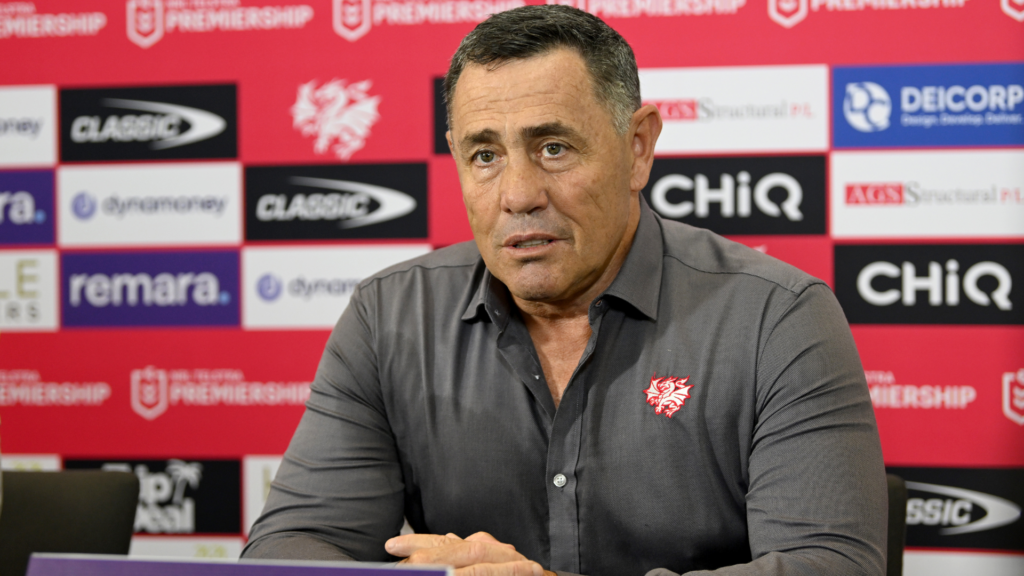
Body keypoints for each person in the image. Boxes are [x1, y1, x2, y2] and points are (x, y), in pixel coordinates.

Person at [242, 6, 887, 576]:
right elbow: (291, 548)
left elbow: (830, 566)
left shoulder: (777, 318)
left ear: (638, 148)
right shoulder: (388, 318)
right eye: (485, 155)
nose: (518, 195)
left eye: (553, 148)